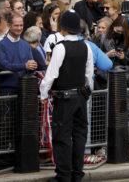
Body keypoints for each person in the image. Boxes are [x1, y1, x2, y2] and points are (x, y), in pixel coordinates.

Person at [39, 11, 93, 182]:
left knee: (62, 136)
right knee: (79, 136)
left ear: (63, 27)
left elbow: (51, 75)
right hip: (80, 97)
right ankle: (77, 174)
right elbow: (88, 75)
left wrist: (43, 94)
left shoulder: (60, 47)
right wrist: (85, 94)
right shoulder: (86, 46)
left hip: (64, 98)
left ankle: (63, 175)